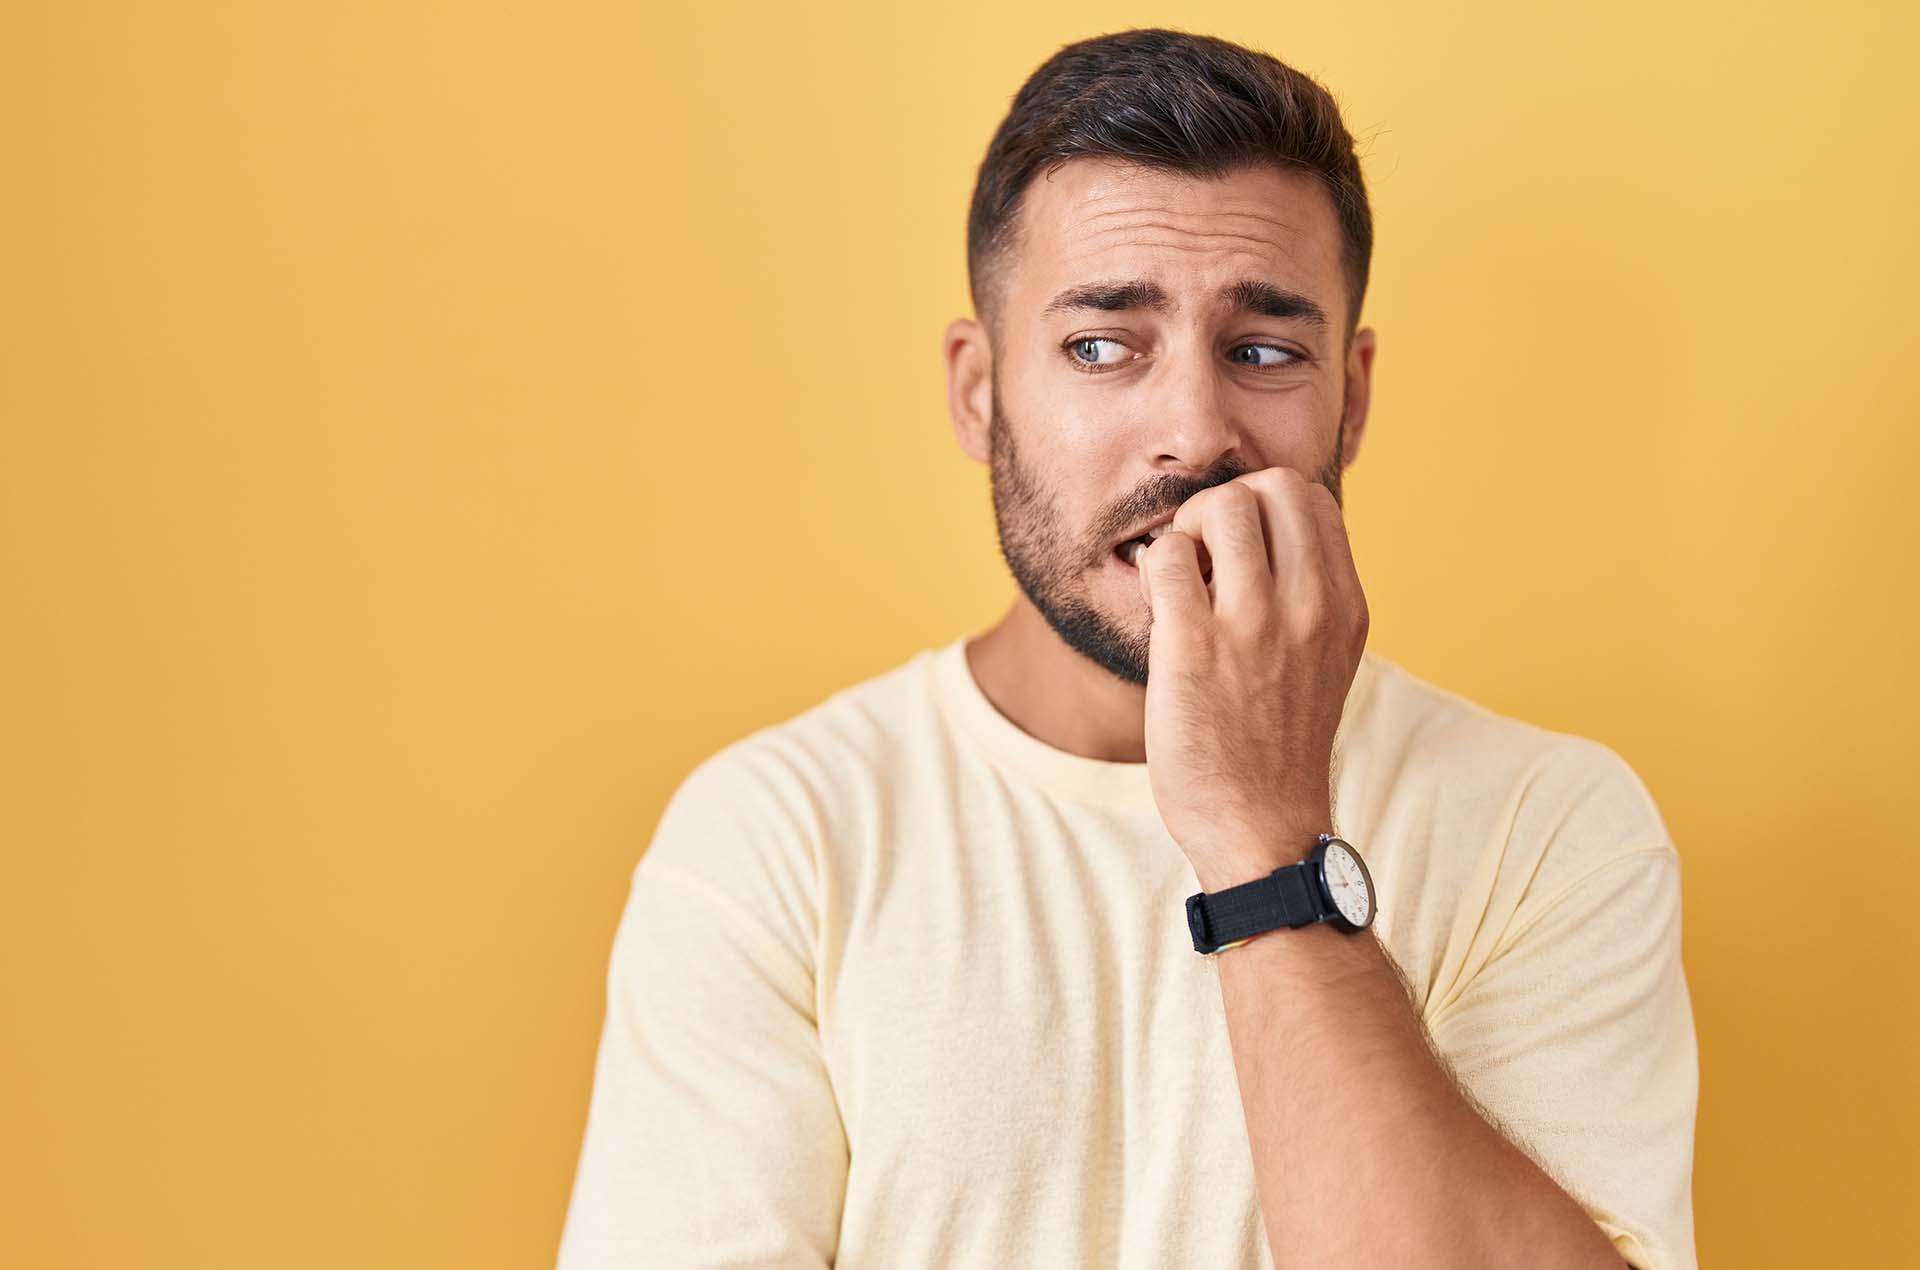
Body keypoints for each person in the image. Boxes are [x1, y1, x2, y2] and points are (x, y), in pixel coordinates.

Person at [556, 27, 1697, 1270]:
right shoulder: (778, 836)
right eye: (1103, 345)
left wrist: (1263, 842)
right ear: (979, 390)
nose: (1193, 432)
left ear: (1351, 401)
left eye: (1263, 351)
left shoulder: (1548, 825)